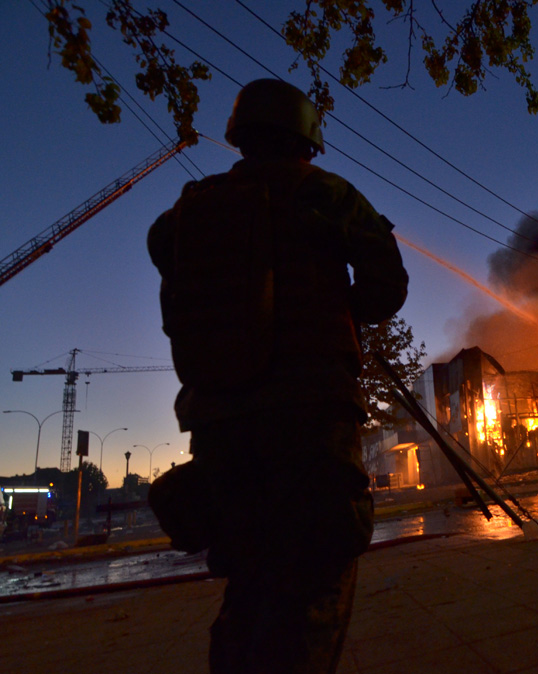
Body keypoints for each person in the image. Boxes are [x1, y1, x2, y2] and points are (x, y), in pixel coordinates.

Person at [148, 78, 408, 673]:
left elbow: (166, 268)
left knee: (249, 585)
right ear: (307, 137)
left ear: (240, 135)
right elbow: (385, 289)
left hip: (219, 428)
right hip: (309, 420)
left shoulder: (191, 210)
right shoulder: (327, 194)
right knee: (316, 579)